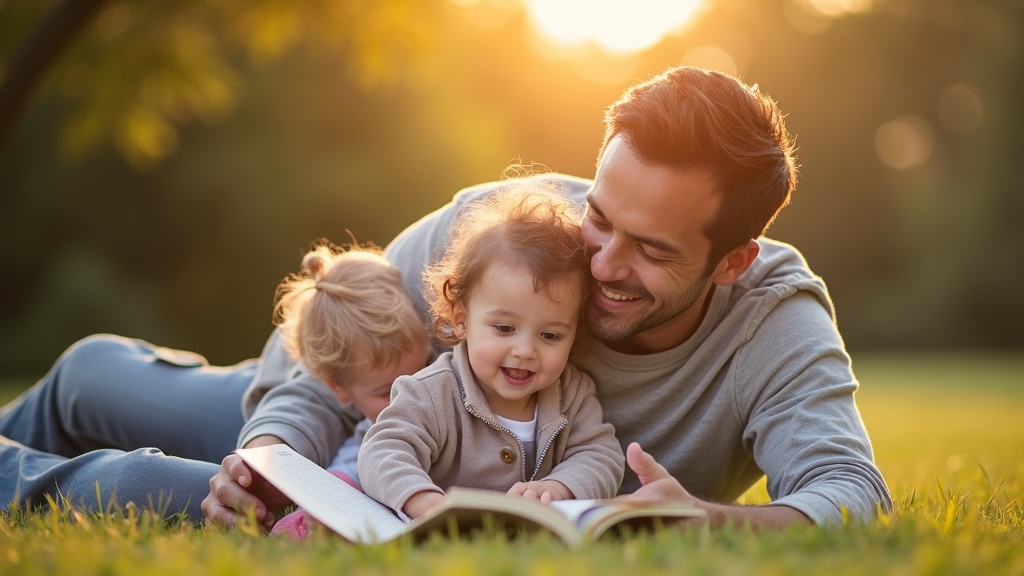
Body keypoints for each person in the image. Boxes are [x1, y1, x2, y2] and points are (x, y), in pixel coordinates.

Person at [1, 65, 891, 530]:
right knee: (92, 377)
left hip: (419, 501)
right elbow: (329, 345)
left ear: (732, 260)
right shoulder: (511, 229)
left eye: (651, 250)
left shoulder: (773, 316)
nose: (602, 259)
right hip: (344, 437)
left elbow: (850, 489)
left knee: (139, 485)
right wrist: (269, 459)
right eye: (603, 218)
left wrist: (713, 523)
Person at [1, 241, 430, 526]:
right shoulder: (456, 236)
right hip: (296, 418)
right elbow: (320, 387)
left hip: (323, 478)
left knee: (148, 481)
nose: (410, 392)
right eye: (389, 390)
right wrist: (270, 454)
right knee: (88, 367)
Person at [358, 186, 624, 520]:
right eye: (504, 328)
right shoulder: (431, 393)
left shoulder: (571, 394)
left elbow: (601, 456)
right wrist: (424, 500)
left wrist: (559, 487)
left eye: (550, 335)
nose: (525, 350)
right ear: (461, 321)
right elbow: (383, 450)